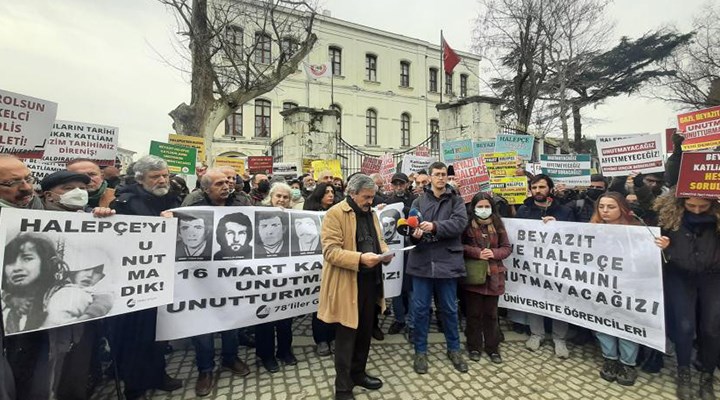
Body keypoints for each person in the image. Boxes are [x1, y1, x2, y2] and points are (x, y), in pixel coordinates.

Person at [164, 168, 252, 396]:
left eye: (227, 182)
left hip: (230, 275)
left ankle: (230, 358)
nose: (226, 186)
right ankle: (205, 369)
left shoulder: (239, 203)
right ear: (205, 189)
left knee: (231, 321)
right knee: (203, 324)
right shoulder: (191, 207)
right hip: (198, 278)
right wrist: (168, 222)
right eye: (219, 184)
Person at [109, 155, 182, 400]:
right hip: (136, 281)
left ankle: (158, 374)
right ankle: (135, 386)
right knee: (136, 337)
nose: (163, 180)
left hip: (161, 278)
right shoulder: (125, 202)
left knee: (158, 333)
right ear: (141, 179)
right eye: (156, 177)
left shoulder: (172, 198)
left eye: (165, 175)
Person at [318, 174, 393, 400]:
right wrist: (360, 258)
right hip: (347, 284)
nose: (370, 201)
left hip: (371, 282)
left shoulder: (371, 213)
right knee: (346, 337)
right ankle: (342, 388)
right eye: (366, 197)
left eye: (372, 197)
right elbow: (330, 251)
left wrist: (385, 253)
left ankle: (358, 373)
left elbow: (379, 240)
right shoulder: (335, 213)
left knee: (364, 333)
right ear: (352, 194)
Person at [590, 192, 667, 386]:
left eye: (611, 207)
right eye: (601, 207)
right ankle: (610, 359)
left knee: (627, 323)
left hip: (630, 287)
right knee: (602, 322)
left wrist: (663, 246)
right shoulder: (590, 229)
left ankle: (627, 363)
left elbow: (649, 259)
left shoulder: (638, 231)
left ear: (622, 209)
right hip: (600, 285)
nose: (605, 211)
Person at [654, 193, 720, 400]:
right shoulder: (668, 218)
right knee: (684, 326)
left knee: (711, 328)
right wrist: (664, 247)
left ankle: (707, 375)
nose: (697, 210)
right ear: (681, 202)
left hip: (713, 277)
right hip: (680, 276)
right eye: (692, 205)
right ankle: (684, 372)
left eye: (704, 206)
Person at [406, 161, 469, 374]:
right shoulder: (418, 201)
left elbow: (460, 224)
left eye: (444, 174)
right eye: (437, 174)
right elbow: (410, 229)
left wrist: (435, 226)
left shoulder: (456, 201)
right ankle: (420, 351)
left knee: (450, 309)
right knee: (421, 309)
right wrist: (414, 234)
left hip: (447, 262)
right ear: (430, 177)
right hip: (422, 261)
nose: (441, 178)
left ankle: (454, 349)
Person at [516, 174, 575, 358]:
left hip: (557, 265)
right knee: (534, 297)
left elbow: (577, 236)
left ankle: (560, 339)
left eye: (541, 187)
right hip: (532, 266)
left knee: (559, 300)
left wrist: (559, 227)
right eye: (534, 188)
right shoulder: (524, 210)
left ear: (550, 188)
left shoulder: (564, 211)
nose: (538, 191)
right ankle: (537, 334)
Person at [462, 192, 512, 364]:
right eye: (480, 207)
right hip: (474, 276)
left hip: (494, 275)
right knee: (473, 314)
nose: (483, 210)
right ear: (473, 208)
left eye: (486, 206)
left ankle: (492, 347)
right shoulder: (467, 225)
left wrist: (494, 253)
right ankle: (474, 346)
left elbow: (507, 248)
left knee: (491, 315)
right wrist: (477, 253)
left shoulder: (498, 225)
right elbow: (460, 246)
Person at [255, 182, 296, 373]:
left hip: (286, 277)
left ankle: (285, 351)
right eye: (278, 196)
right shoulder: (258, 215)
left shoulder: (294, 218)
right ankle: (266, 355)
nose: (281, 200)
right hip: (263, 277)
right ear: (270, 198)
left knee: (286, 317)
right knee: (264, 318)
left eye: (285, 197)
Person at [384, 172, 417, 337]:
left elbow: (419, 217)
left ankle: (412, 323)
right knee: (396, 287)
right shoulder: (388, 202)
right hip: (395, 252)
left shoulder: (414, 201)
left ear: (406, 184)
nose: (398, 187)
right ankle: (399, 319)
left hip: (411, 251)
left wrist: (407, 210)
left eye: (401, 184)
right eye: (395, 184)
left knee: (411, 289)